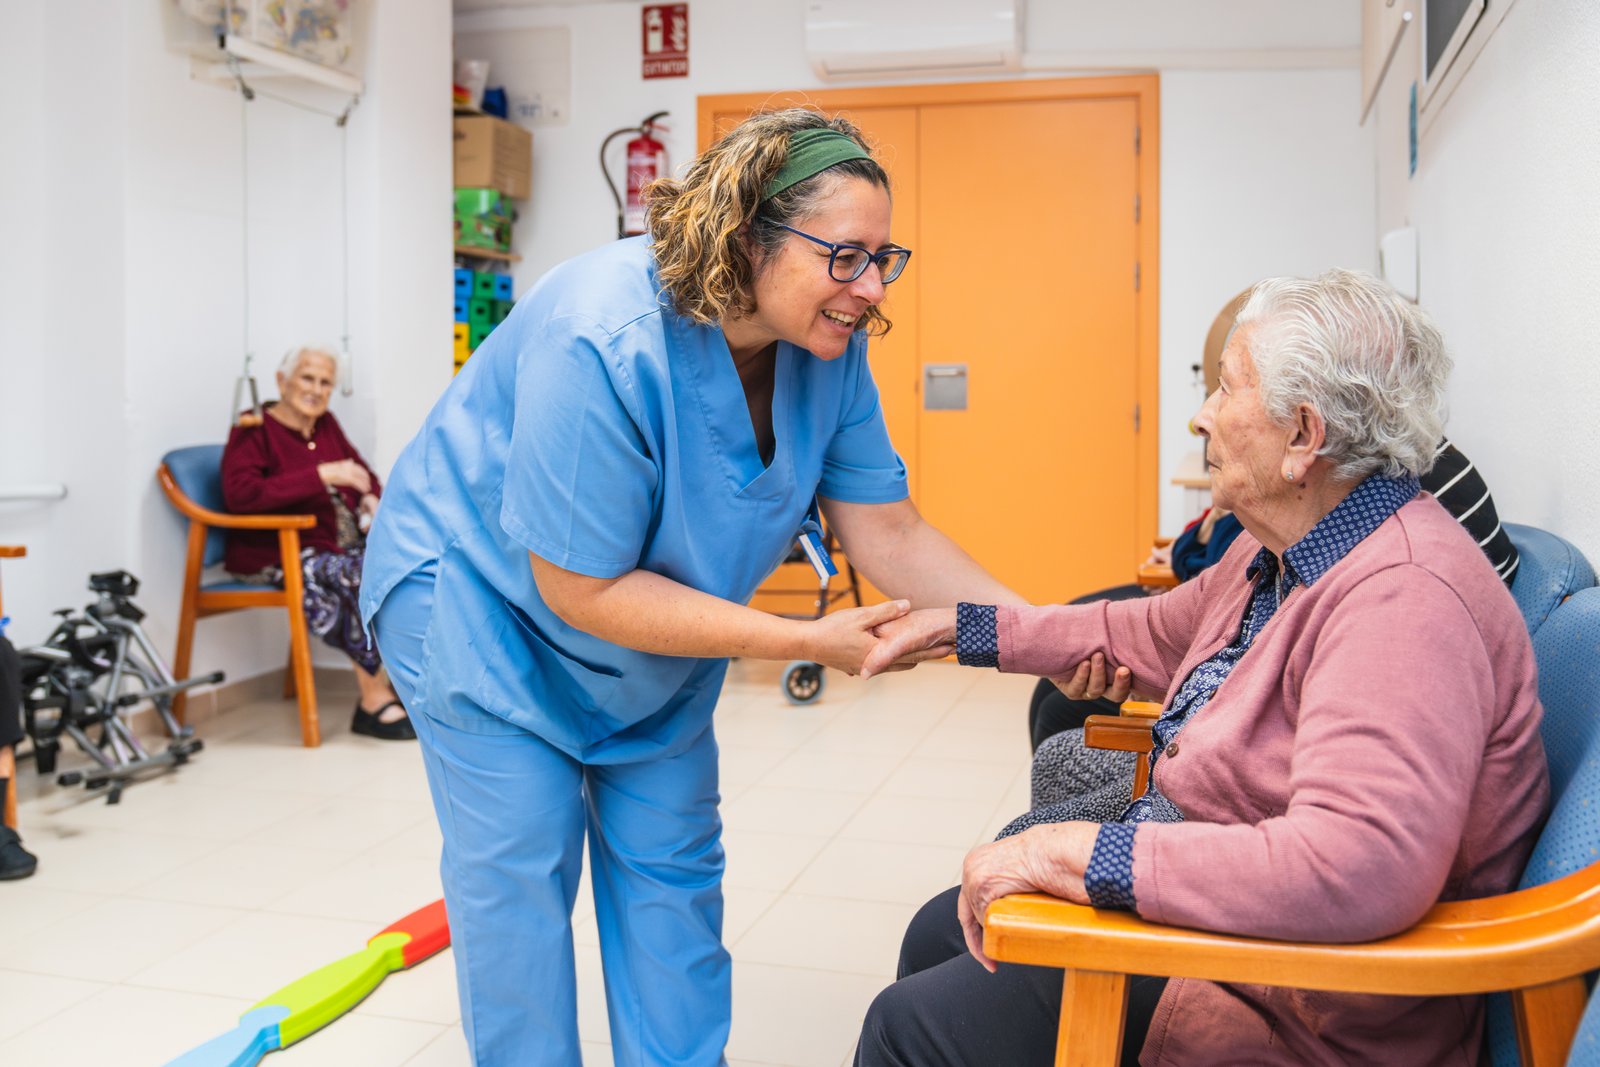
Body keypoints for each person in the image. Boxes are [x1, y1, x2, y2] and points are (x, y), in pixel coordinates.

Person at [358, 109, 1022, 1065]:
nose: (871, 288)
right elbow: (580, 588)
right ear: (749, 233)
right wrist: (801, 641)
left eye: (885, 258)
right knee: (519, 885)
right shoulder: (602, 330)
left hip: (653, 632)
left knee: (674, 884)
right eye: (846, 256)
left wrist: (1044, 631)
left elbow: (889, 529)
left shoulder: (828, 345)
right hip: (481, 607)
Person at [854, 269, 1550, 1066]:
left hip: (1295, 999)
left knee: (907, 1028)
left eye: (1226, 390)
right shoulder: (1285, 547)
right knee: (936, 932)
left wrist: (1075, 853)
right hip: (1233, 924)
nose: (1201, 415)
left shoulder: (1404, 597)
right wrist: (965, 630)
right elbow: (1144, 630)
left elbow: (1357, 865)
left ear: (1303, 438)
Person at [221, 345, 412, 740]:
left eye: (325, 382)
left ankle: (408, 686)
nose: (317, 389)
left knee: (408, 565)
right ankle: (373, 701)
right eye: (308, 378)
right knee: (357, 575)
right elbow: (240, 495)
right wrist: (321, 474)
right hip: (279, 551)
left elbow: (360, 472)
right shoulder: (253, 429)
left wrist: (371, 497)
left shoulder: (325, 425)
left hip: (335, 543)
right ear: (281, 380)